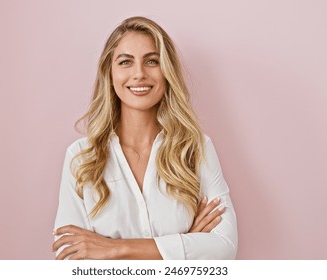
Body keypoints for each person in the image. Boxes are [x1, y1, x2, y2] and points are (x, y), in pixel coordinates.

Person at [52, 16, 237, 260]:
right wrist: (184, 246)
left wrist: (115, 248)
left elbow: (224, 247)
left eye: (152, 61)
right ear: (110, 72)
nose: (139, 74)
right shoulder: (81, 157)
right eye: (126, 62)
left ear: (167, 71)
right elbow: (70, 257)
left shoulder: (195, 148)